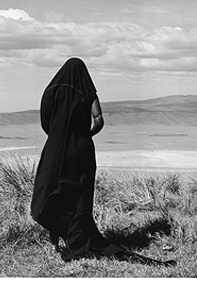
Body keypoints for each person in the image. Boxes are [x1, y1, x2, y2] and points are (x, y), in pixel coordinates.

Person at [30, 57, 175, 266]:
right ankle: (78, 238)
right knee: (79, 194)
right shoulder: (86, 90)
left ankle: (55, 243)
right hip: (81, 149)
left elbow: (46, 122)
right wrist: (84, 135)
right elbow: (99, 120)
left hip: (55, 148)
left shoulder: (49, 91)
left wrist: (58, 136)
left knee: (54, 191)